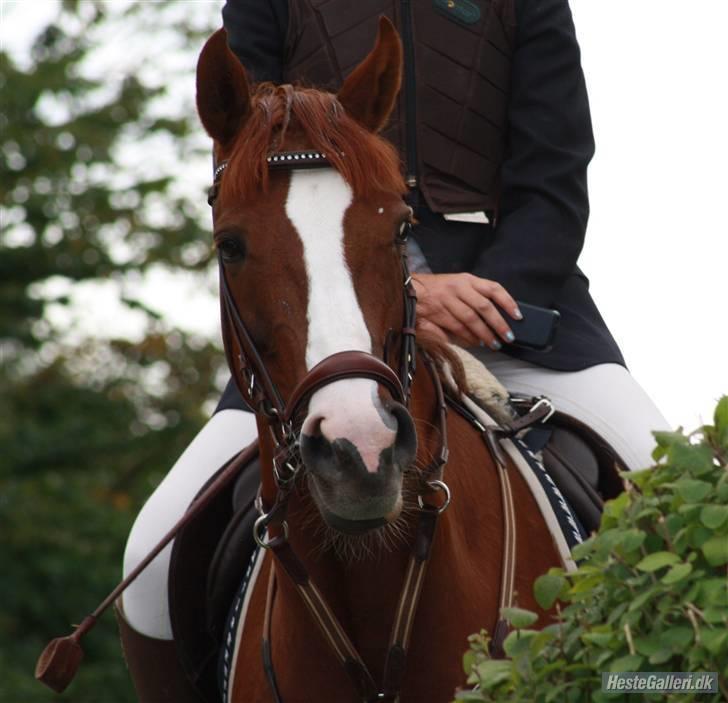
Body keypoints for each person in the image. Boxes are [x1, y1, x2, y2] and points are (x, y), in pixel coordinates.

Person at [118, 1, 670, 700]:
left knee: (676, 500)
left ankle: (667, 678)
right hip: (320, 315)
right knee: (152, 554)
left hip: (517, 314)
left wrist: (496, 294)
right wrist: (405, 289)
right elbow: (250, 164)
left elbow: (554, 174)